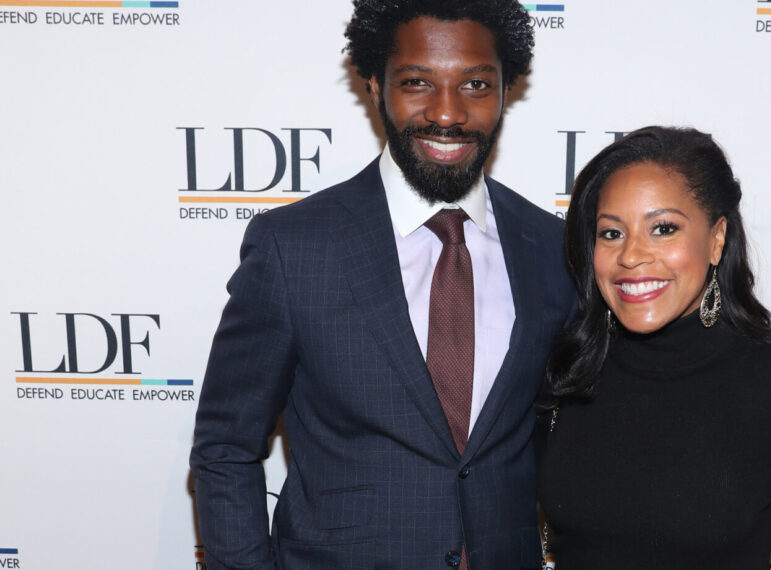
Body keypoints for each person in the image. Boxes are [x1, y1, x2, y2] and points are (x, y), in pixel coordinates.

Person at [189, 1, 575, 568]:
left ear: (506, 90)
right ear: (375, 85)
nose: (447, 113)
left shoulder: (552, 248)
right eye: (417, 82)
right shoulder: (294, 248)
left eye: (474, 83)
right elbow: (226, 447)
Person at [538, 126, 771, 569]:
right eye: (611, 233)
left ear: (716, 238)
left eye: (663, 228)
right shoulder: (567, 369)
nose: (632, 256)